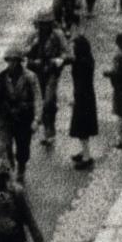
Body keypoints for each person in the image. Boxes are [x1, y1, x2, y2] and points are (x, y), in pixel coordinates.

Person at [0, 48, 40, 183]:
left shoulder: (30, 77)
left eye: (15, 61)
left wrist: (36, 119)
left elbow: (37, 99)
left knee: (23, 147)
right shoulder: (1, 77)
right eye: (9, 60)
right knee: (4, 145)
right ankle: (9, 169)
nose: (11, 64)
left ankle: (21, 168)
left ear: (19, 62)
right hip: (5, 118)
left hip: (24, 118)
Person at [24, 12, 70, 148]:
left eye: (45, 24)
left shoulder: (57, 35)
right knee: (40, 99)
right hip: (36, 72)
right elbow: (24, 52)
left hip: (51, 72)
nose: (43, 27)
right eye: (41, 24)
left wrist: (57, 60)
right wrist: (32, 47)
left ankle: (50, 130)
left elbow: (67, 53)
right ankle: (46, 130)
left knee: (49, 101)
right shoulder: (34, 36)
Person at [68, 33, 97, 170]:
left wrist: (74, 99)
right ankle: (84, 152)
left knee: (82, 129)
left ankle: (87, 157)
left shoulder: (81, 63)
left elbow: (80, 83)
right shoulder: (87, 59)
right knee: (83, 128)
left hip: (82, 98)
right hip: (88, 96)